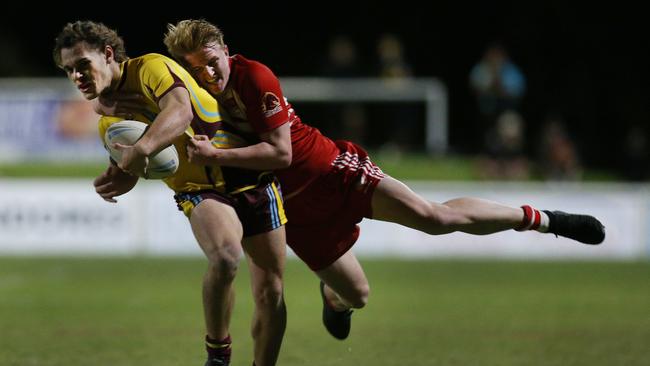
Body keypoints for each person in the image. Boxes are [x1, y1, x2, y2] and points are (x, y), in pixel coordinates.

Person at [124, 20, 604, 344]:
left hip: (331, 171)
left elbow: (281, 152)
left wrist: (217, 152)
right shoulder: (189, 98)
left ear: (225, 51)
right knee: (358, 295)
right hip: (291, 211)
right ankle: (333, 297)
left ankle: (543, 219)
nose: (207, 72)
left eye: (211, 59)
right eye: (194, 67)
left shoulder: (254, 76)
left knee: (434, 218)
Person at [53, 20, 287, 366]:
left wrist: (143, 147)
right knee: (225, 257)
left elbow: (180, 109)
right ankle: (218, 354)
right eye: (69, 70)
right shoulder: (108, 121)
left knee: (271, 293)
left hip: (250, 176)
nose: (77, 76)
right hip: (200, 189)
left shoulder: (150, 66)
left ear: (107, 55)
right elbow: (136, 167)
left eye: (83, 65)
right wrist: (118, 178)